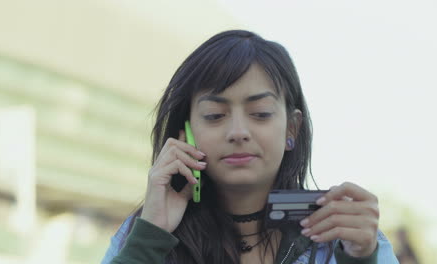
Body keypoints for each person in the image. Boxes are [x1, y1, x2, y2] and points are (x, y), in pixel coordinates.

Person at [101, 30, 399, 264]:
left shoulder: (343, 238)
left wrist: (361, 259)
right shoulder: (143, 232)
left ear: (291, 129)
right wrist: (151, 238)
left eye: (260, 114)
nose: (238, 132)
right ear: (185, 134)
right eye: (215, 116)